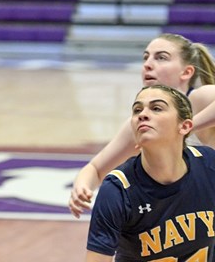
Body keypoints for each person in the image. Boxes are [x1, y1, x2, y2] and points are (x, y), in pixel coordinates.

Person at [69, 33, 215, 218]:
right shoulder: (142, 122)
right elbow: (96, 169)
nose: (148, 64)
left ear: (186, 72)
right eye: (146, 57)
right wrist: (82, 187)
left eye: (161, 57)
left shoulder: (200, 98)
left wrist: (184, 127)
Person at [85, 84, 215, 261]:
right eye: (137, 110)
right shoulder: (118, 189)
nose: (143, 115)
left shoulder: (209, 164)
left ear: (185, 126)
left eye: (156, 108)